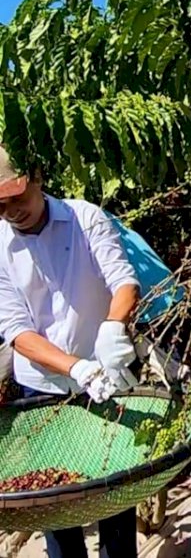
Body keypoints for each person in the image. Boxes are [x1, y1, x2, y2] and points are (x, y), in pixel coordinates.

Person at [0, 146, 141, 558]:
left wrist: (113, 330)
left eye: (16, 198)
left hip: (105, 380)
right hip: (40, 389)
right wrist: (76, 368)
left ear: (38, 177)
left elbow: (124, 283)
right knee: (53, 501)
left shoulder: (85, 218)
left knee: (114, 491)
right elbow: (17, 332)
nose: (10, 211)